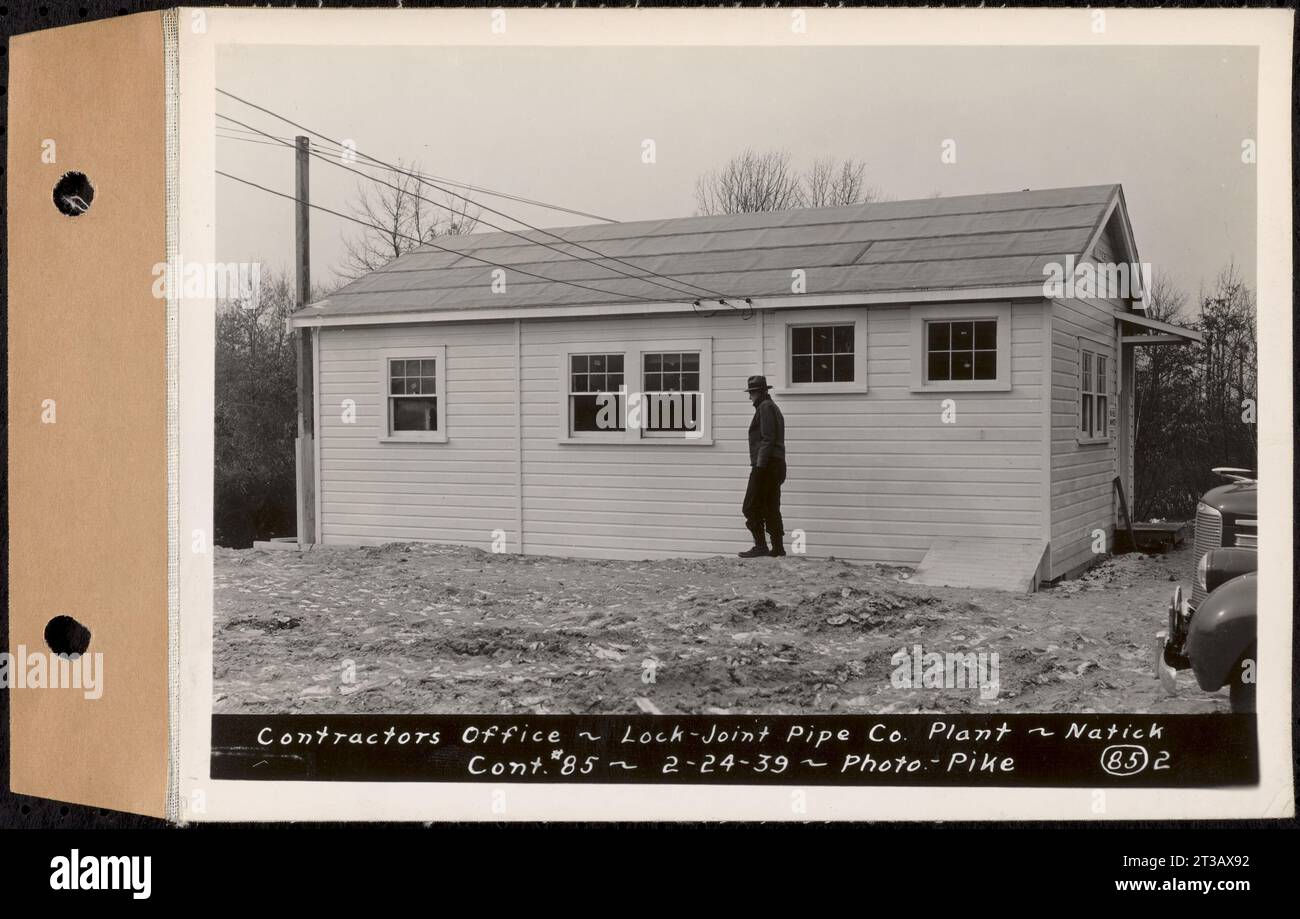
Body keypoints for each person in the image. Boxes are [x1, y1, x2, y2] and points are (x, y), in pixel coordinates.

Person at [739, 375, 786, 558]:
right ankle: (778, 548)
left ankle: (761, 546)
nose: (750, 397)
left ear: (757, 393)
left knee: (750, 506)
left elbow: (768, 438)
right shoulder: (773, 407)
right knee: (770, 506)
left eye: (751, 393)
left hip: (766, 465)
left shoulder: (765, 407)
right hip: (776, 465)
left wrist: (759, 467)